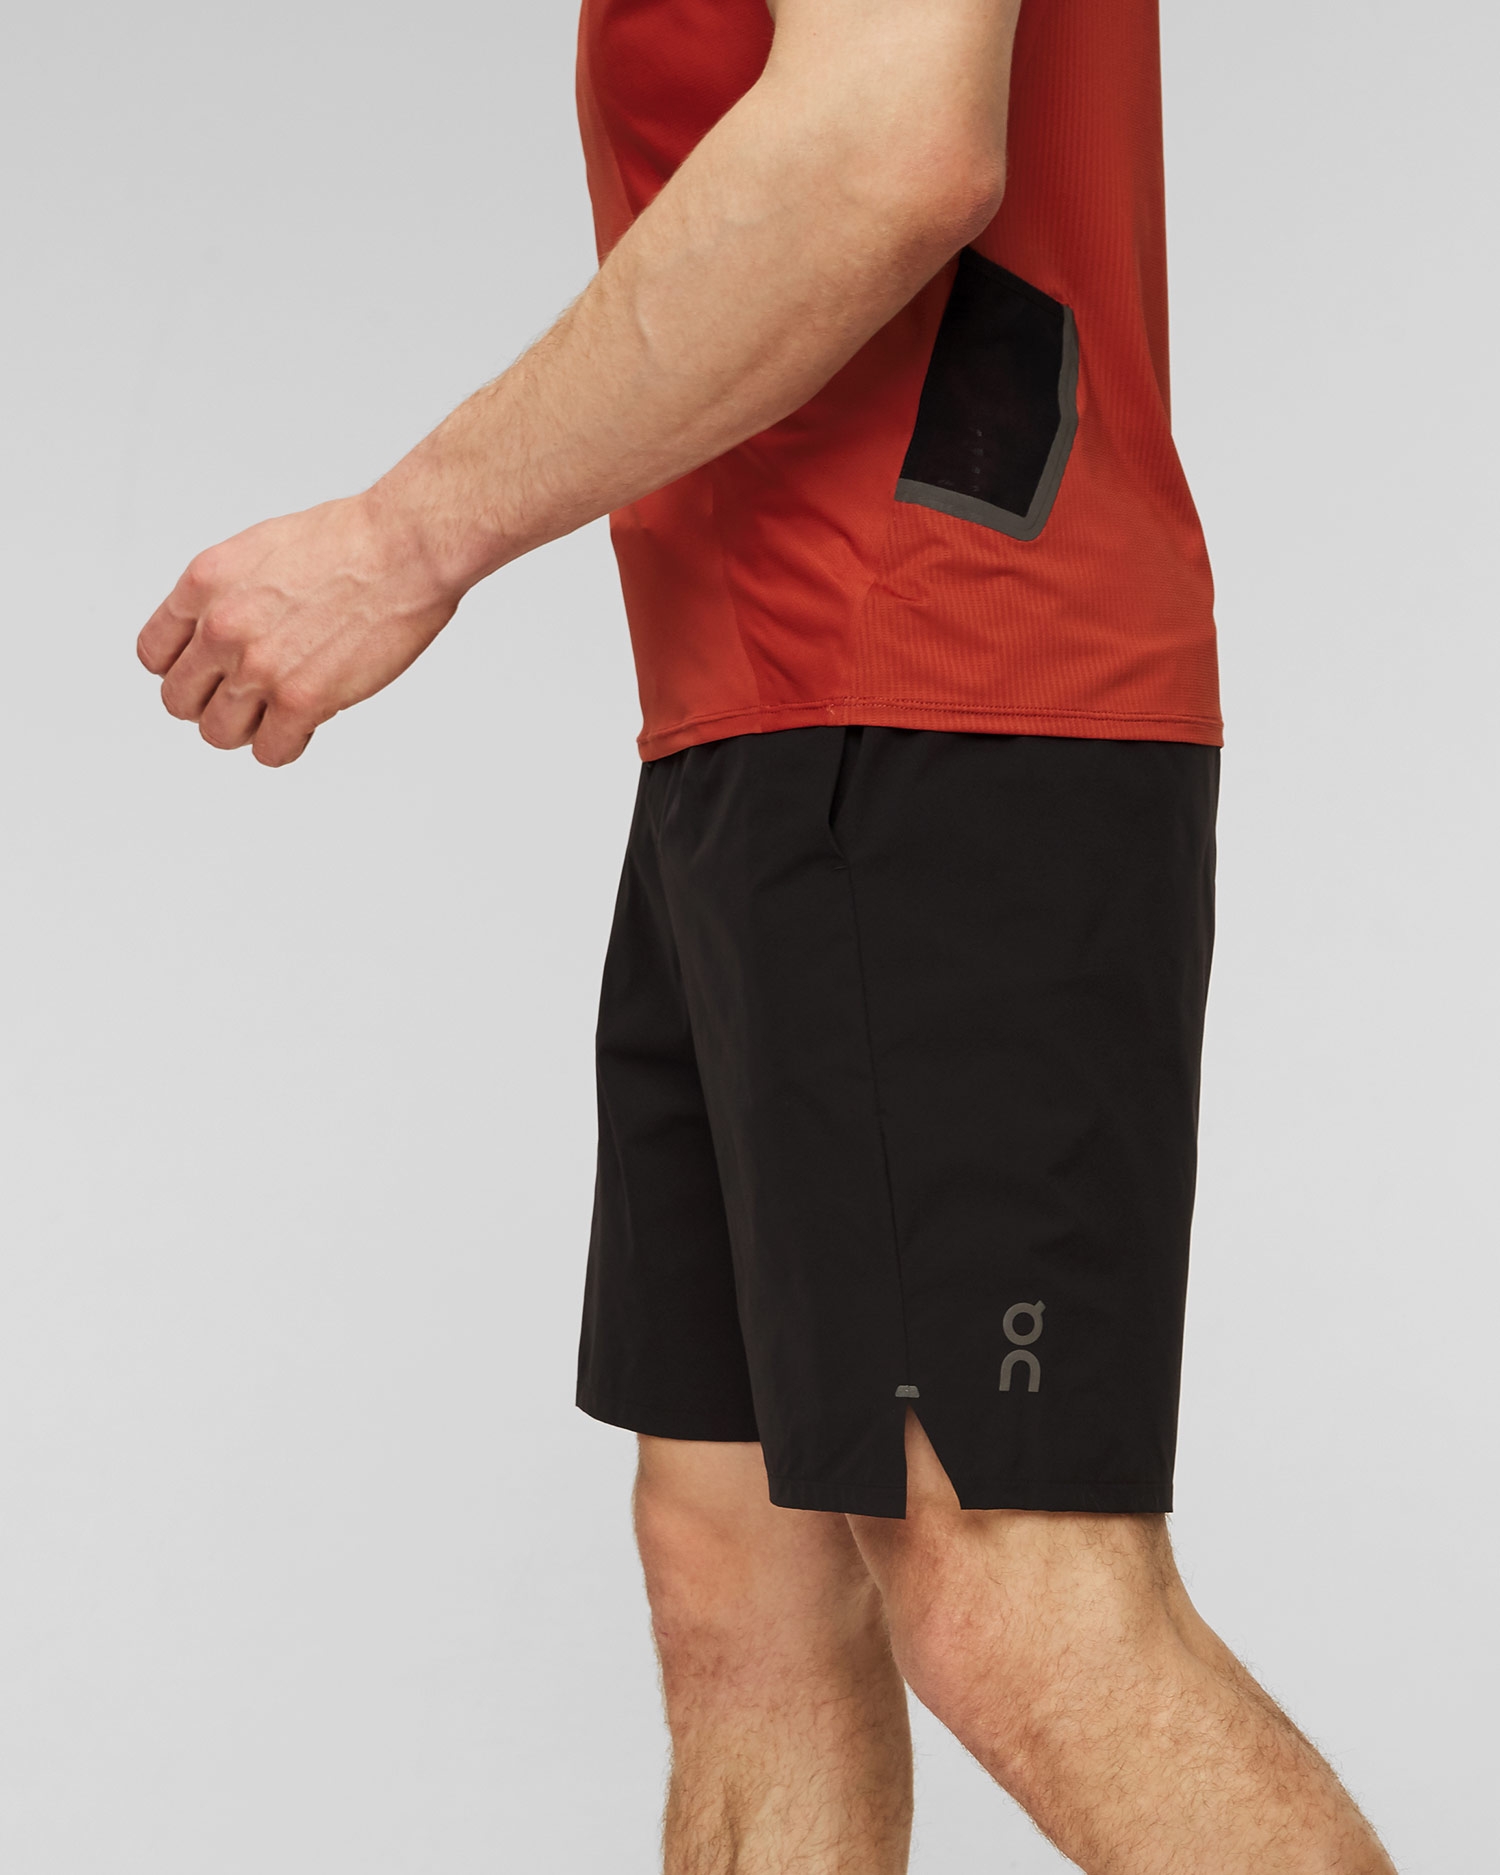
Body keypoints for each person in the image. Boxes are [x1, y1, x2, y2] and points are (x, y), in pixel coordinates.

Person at [137, 0, 1398, 1867]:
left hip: (948, 682)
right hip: (754, 719)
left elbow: (890, 148)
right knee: (737, 1563)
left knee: (1014, 1591)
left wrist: (401, 540)